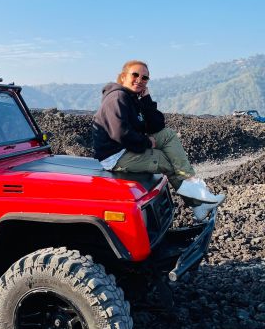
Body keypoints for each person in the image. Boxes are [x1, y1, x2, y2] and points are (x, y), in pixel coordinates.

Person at [92, 60, 225, 221]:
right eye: (135, 75)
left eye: (145, 78)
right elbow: (120, 133)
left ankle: (192, 183)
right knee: (164, 161)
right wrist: (147, 143)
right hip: (115, 155)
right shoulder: (117, 97)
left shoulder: (133, 98)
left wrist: (146, 99)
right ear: (122, 77)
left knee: (168, 134)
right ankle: (197, 202)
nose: (139, 80)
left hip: (127, 147)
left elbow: (157, 126)